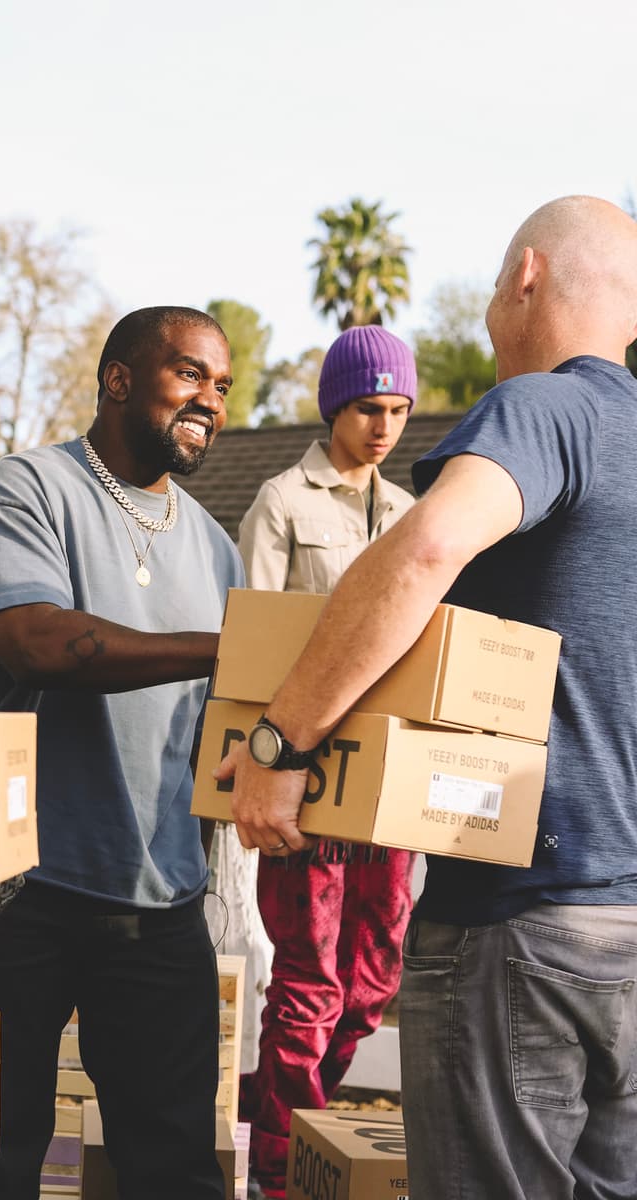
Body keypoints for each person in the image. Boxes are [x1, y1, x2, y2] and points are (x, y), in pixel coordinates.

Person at [216, 195, 637, 1200]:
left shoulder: (543, 410)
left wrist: (279, 747)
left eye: (495, 290)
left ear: (526, 277)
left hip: (523, 921)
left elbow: (424, 550)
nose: (492, 316)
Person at [0, 306, 244, 1200]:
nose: (211, 401)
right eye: (190, 374)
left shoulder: (217, 548)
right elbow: (33, 641)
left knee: (174, 1169)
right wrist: (223, 648)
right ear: (118, 378)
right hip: (18, 895)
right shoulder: (25, 490)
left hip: (159, 901)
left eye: (222, 386)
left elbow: (224, 724)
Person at [235, 326, 417, 1198]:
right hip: (303, 784)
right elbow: (252, 647)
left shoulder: (418, 510)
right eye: (367, 409)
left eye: (397, 410)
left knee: (373, 982)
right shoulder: (280, 501)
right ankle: (279, 1170)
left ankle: (297, 1118)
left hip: (387, 791)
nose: (383, 427)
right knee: (306, 986)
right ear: (333, 409)